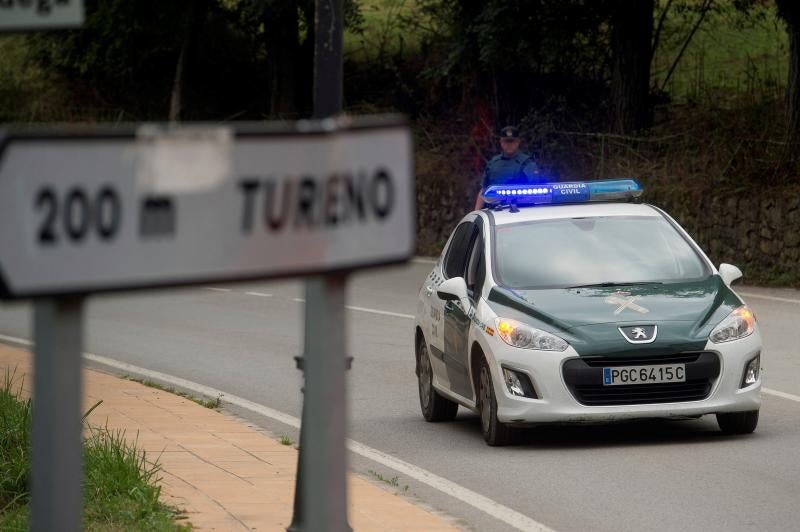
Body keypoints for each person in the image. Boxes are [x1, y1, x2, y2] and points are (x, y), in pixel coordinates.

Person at [474, 126, 539, 210]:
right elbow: (483, 190)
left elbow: (536, 193)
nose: (509, 145)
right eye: (506, 141)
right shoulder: (493, 163)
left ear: (518, 142)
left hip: (521, 212)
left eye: (512, 141)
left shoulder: (527, 163)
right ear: (501, 142)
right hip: (495, 212)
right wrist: (476, 212)